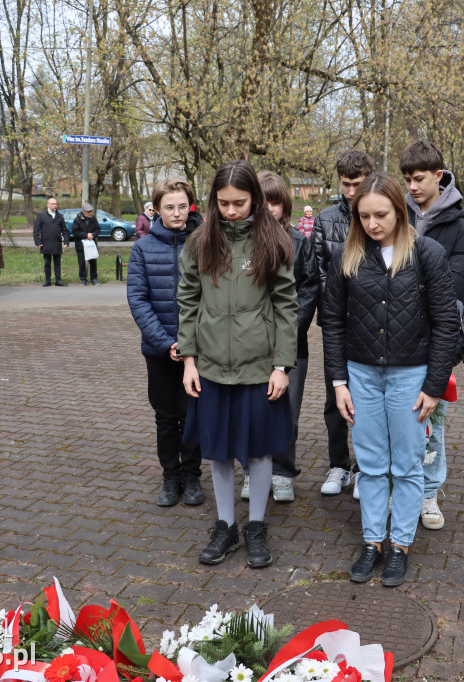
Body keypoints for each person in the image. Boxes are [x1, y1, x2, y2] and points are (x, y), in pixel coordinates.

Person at [322, 172, 459, 587]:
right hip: (361, 374)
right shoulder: (346, 256)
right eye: (363, 216)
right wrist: (338, 382)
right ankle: (372, 542)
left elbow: (446, 323)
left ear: (400, 211)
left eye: (381, 214)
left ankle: (399, 544)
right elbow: (331, 321)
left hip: (410, 375)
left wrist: (434, 386)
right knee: (370, 462)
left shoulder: (427, 253)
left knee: (407, 463)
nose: (372, 224)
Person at [177, 160, 297, 569]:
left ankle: (257, 526)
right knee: (219, 450)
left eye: (240, 203)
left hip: (258, 368)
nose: (231, 211)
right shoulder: (199, 242)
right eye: (224, 203)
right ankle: (226, 526)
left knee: (259, 451)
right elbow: (188, 302)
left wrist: (282, 365)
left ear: (256, 200)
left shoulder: (273, 241)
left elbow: (286, 307)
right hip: (210, 368)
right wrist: (189, 360)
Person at [400, 140, 464, 531]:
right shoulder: (397, 217)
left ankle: (429, 492)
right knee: (398, 417)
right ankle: (400, 487)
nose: (412, 186)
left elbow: (453, 290)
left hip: (437, 337)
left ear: (439, 176)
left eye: (419, 179)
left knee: (433, 417)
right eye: (407, 179)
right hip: (394, 335)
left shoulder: (459, 226)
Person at [241, 171, 318, 503]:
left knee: (288, 410)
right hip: (250, 348)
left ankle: (284, 472)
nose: (269, 209)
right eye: (264, 201)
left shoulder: (300, 244)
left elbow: (310, 290)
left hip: (291, 348)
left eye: (275, 201)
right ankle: (252, 472)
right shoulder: (242, 244)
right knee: (251, 412)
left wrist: (286, 333)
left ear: (284, 205)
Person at [128, 180, 206, 508]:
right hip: (159, 351)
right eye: (169, 207)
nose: (176, 213)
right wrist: (165, 343)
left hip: (198, 349)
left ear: (191, 206)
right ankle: (170, 476)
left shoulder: (204, 243)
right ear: (156, 209)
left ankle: (191, 475)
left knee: (192, 415)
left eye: (182, 206)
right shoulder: (142, 248)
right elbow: (138, 298)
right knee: (165, 415)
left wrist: (191, 343)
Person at [311, 149, 376, 497]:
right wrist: (339, 306)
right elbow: (319, 272)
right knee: (335, 395)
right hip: (337, 324)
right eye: (345, 184)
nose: (350, 192)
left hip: (373, 324)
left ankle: (367, 468)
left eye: (357, 184)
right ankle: (339, 464)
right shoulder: (324, 220)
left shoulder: (379, 216)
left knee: (369, 399)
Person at [33, 197, 69, 286]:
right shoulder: (41, 215)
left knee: (57, 263)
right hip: (45, 244)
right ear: (48, 205)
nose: (55, 205)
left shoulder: (60, 216)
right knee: (47, 263)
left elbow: (64, 230)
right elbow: (36, 230)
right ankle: (47, 280)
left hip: (57, 244)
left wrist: (66, 242)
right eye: (52, 204)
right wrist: (37, 242)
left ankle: (58, 280)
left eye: (56, 204)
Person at [71, 203, 100, 286]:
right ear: (83, 212)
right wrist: (86, 235)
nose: (90, 213)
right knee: (81, 262)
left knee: (93, 261)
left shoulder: (93, 219)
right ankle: (83, 279)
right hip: (81, 245)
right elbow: (75, 232)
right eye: (88, 212)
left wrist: (93, 235)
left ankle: (94, 278)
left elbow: (98, 229)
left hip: (91, 244)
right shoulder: (77, 220)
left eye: (91, 211)